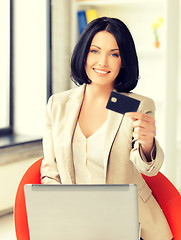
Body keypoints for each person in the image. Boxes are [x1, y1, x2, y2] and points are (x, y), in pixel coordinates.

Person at [41, 17, 173, 240]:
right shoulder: (59, 105)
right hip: (76, 223)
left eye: (114, 54)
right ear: (83, 54)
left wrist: (148, 143)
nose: (103, 62)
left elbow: (147, 168)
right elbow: (50, 172)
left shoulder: (133, 106)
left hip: (129, 225)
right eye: (95, 51)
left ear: (123, 62)